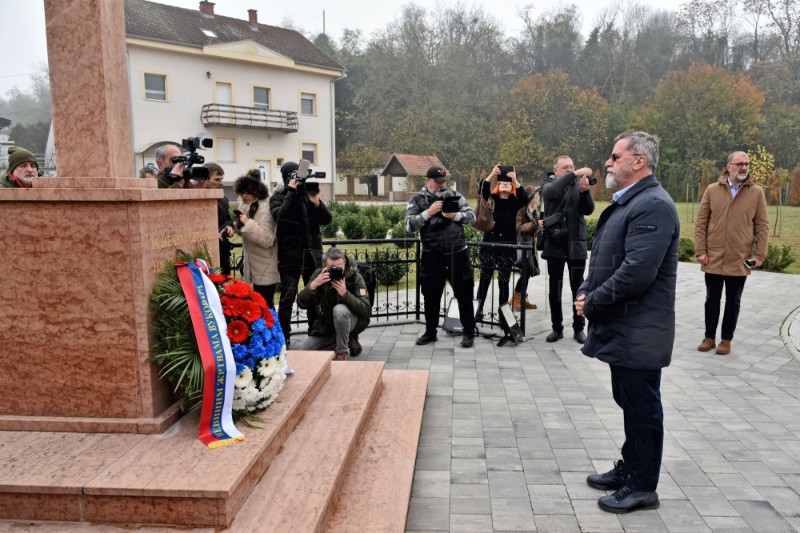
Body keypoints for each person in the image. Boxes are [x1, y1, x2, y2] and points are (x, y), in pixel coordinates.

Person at [576, 131, 679, 514]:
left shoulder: (652, 204)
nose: (607, 162)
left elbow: (637, 271)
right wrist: (587, 288)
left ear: (638, 161)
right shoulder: (631, 202)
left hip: (639, 328)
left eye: (615, 156)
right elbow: (602, 256)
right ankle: (630, 467)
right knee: (628, 400)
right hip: (624, 325)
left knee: (641, 406)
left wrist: (594, 302)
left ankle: (642, 486)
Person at [694, 151, 769, 356]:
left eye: (746, 164)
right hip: (714, 256)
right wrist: (700, 250)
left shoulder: (756, 193)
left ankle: (726, 339)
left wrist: (760, 254)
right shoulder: (712, 190)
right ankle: (709, 337)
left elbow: (762, 225)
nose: (744, 168)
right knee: (712, 299)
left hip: (740, 258)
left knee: (733, 301)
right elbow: (701, 223)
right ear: (729, 167)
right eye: (739, 164)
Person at [406, 165, 476, 348]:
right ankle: (430, 332)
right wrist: (429, 212)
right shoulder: (417, 200)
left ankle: (468, 333)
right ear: (428, 181)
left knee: (465, 295)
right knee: (431, 296)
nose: (441, 185)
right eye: (437, 182)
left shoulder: (455, 196)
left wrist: (454, 215)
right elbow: (409, 225)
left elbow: (472, 217)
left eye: (443, 182)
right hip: (432, 256)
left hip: (457, 255)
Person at [269, 161, 332, 347]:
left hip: (311, 255)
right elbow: (280, 216)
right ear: (286, 178)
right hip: (290, 257)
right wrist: (291, 192)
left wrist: (317, 203)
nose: (296, 179)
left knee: (313, 296)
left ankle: (315, 332)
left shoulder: (308, 196)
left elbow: (327, 220)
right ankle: (284, 337)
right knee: (287, 299)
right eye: (292, 175)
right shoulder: (278, 197)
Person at [540, 155, 595, 344]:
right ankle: (557, 328)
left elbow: (588, 210)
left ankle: (579, 328)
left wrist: (585, 192)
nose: (571, 170)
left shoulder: (577, 185)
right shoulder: (548, 183)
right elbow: (552, 192)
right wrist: (575, 175)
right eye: (566, 168)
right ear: (555, 170)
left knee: (578, 288)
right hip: (555, 242)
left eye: (572, 167)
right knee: (554, 288)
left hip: (576, 244)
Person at [298, 247, 371, 360]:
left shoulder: (354, 277)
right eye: (332, 269)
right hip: (328, 324)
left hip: (352, 321)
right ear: (324, 267)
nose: (336, 272)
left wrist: (345, 294)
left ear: (345, 266)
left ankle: (341, 351)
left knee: (340, 310)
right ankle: (345, 339)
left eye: (339, 269)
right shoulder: (319, 275)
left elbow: (366, 310)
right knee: (305, 352)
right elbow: (301, 303)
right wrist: (313, 286)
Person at [474, 165, 528, 318]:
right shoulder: (492, 199)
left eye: (508, 183)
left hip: (507, 246)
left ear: (511, 187)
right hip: (490, 244)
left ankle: (503, 313)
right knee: (485, 278)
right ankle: (477, 310)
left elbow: (525, 198)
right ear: (497, 185)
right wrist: (491, 175)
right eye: (502, 182)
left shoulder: (514, 200)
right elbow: (482, 190)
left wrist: (515, 179)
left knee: (503, 282)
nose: (505, 184)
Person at [233, 170, 279, 308]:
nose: (244, 196)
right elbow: (244, 234)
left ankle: (271, 330)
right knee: (258, 305)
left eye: (248, 192)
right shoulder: (245, 205)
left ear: (257, 192)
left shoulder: (265, 208)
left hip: (266, 265)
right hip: (252, 263)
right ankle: (262, 329)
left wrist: (248, 223)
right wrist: (239, 225)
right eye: (242, 193)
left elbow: (267, 239)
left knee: (266, 306)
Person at [511, 185, 542, 310]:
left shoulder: (532, 209)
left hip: (529, 244)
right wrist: (534, 224)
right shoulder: (521, 208)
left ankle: (520, 297)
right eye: (534, 197)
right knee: (526, 271)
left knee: (528, 271)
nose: (537, 200)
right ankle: (516, 298)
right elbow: (518, 227)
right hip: (522, 244)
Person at [205, 162, 236, 276]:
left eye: (221, 179)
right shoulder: (195, 199)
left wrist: (229, 227)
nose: (221, 183)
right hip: (205, 254)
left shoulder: (223, 198)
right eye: (217, 179)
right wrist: (209, 234)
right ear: (205, 179)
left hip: (222, 250)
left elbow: (227, 219)